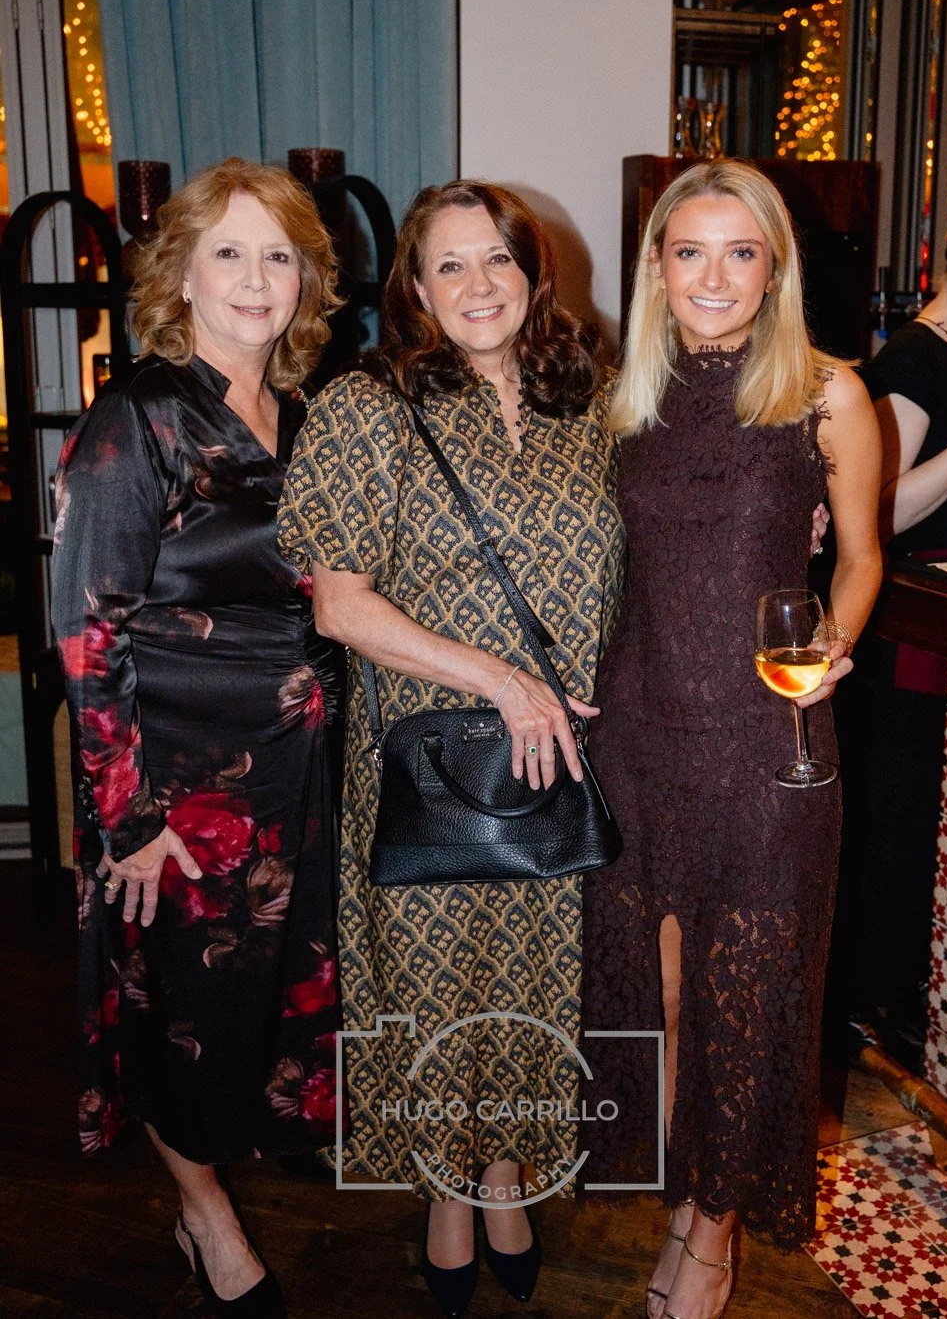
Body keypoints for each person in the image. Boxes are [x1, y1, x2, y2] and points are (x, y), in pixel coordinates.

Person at [278, 179, 626, 1317]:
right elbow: (339, 606)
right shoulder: (367, 407)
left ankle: (507, 1176)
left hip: (559, 761)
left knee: (536, 976)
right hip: (426, 757)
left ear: (534, 271)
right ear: (416, 290)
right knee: (431, 984)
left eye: (498, 260)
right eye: (450, 266)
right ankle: (444, 1190)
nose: (480, 285)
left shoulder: (594, 402)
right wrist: (502, 680)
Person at [581, 159, 882, 1319]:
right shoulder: (620, 399)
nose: (714, 276)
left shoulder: (823, 394)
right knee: (650, 999)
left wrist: (829, 652)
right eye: (689, 251)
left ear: (773, 270)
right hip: (638, 734)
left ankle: (711, 1235)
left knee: (746, 994)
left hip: (769, 741)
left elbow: (857, 557)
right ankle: (677, 1196)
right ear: (656, 265)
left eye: (740, 252)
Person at [51, 157, 343, 1318]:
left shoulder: (310, 413)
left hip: (299, 773)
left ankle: (236, 1156)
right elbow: (83, 632)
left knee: (259, 1003)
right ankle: (203, 1214)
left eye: (279, 253)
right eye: (229, 250)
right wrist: (125, 819)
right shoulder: (138, 416)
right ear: (183, 272)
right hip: (176, 790)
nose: (256, 277)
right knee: (180, 1015)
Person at [849, 187, 947, 1061]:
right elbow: (877, 508)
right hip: (903, 635)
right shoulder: (913, 356)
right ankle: (881, 1002)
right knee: (903, 824)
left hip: (941, 628)